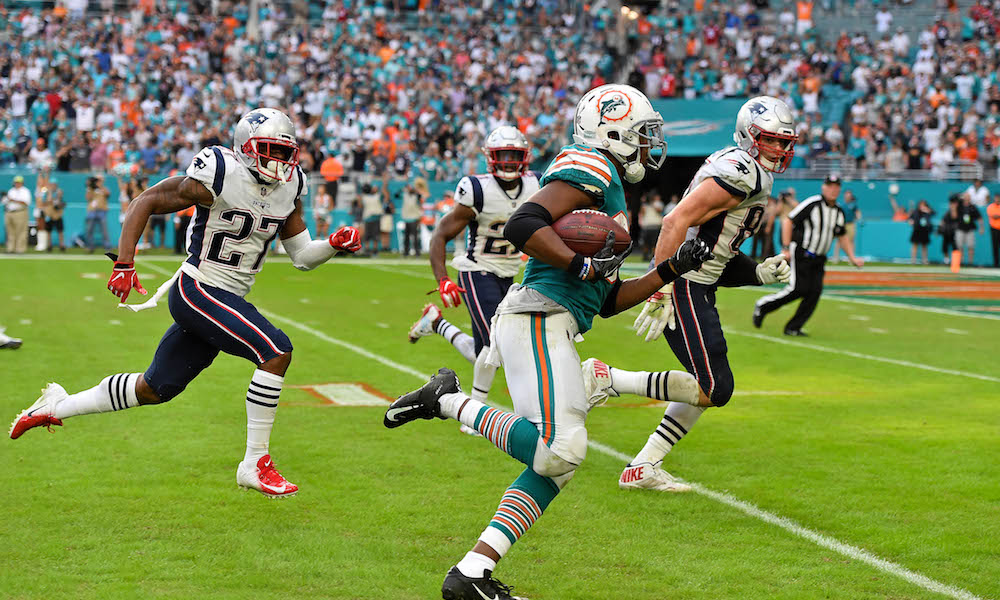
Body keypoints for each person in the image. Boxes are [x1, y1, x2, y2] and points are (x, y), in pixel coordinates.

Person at [383, 84, 712, 600]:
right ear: (614, 131)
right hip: (537, 316)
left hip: (557, 321)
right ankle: (445, 400)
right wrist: (579, 262)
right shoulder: (592, 166)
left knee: (556, 465)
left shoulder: (612, 190)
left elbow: (605, 300)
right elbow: (523, 223)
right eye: (643, 133)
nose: (651, 143)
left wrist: (669, 270)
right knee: (561, 448)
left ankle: (472, 573)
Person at [9, 108, 362, 499]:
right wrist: (125, 263)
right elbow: (146, 201)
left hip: (225, 297)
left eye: (284, 153)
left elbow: (302, 257)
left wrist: (332, 245)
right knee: (276, 351)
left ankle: (56, 406)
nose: (278, 162)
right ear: (245, 148)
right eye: (268, 150)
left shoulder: (291, 185)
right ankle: (254, 462)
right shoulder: (220, 172)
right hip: (200, 289)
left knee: (154, 389)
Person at [581, 96, 798, 492]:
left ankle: (643, 466)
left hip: (696, 282)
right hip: (684, 283)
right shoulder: (741, 170)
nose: (779, 150)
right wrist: (660, 286)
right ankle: (607, 378)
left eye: (785, 142)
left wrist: (758, 272)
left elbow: (715, 253)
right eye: (771, 140)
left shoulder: (746, 169)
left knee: (706, 385)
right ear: (750, 136)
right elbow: (675, 221)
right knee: (716, 387)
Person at [407, 126, 540, 404]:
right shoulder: (478, 189)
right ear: (491, 158)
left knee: (487, 350)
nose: (507, 161)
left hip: (509, 271)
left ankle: (437, 324)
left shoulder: (536, 185)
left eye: (513, 155)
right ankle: (475, 410)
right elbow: (440, 235)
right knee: (495, 343)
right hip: (476, 269)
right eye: (501, 155)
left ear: (524, 157)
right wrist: (443, 279)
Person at [754, 173, 864, 335]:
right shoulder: (813, 204)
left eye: (836, 187)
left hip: (819, 258)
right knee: (798, 289)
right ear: (823, 187)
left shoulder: (838, 212)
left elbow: (841, 235)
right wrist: (785, 247)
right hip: (802, 252)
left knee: (814, 292)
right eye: (830, 186)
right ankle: (763, 305)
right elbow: (788, 221)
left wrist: (852, 257)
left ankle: (793, 327)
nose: (833, 190)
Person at [3, 175, 31, 253]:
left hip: (20, 212)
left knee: (21, 231)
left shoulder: (25, 191)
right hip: (9, 212)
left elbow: (25, 202)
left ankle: (20, 249)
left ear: (22, 183)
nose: (17, 184)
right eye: (16, 182)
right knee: (10, 232)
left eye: (19, 182)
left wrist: (12, 200)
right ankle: (10, 249)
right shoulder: (11, 190)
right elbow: (5, 201)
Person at [84, 175, 112, 253]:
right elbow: (88, 198)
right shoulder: (90, 189)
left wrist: (100, 187)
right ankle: (90, 246)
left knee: (104, 230)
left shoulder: (104, 188)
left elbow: (108, 194)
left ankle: (107, 246)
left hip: (102, 211)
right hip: (92, 211)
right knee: (89, 229)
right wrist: (90, 187)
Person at [832, 189, 861, 263]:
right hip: (842, 224)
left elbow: (857, 212)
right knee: (839, 241)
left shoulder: (853, 204)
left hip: (850, 224)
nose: (847, 195)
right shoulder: (842, 205)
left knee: (851, 241)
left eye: (849, 194)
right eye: (846, 194)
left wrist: (859, 219)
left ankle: (851, 258)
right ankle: (835, 257)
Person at [955, 193, 984, 265]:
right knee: (959, 246)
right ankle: (960, 262)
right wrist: (959, 197)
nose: (967, 198)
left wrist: (981, 228)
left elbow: (979, 218)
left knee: (970, 247)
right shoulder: (959, 205)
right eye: (966, 197)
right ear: (963, 197)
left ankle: (970, 263)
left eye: (969, 197)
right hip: (960, 229)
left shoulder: (973, 207)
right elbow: (953, 200)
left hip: (970, 229)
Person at [399, 178, 425, 257]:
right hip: (406, 218)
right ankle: (406, 252)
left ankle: (417, 252)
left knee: (415, 236)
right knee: (406, 236)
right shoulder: (405, 195)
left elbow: (420, 196)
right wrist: (403, 189)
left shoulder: (416, 195)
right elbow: (396, 195)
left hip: (414, 218)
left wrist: (414, 190)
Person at [41, 177, 66, 252]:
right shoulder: (47, 192)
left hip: (57, 214)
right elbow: (44, 203)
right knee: (49, 231)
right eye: (51, 184)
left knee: (60, 230)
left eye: (54, 184)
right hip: (49, 214)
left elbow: (62, 202)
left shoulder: (59, 192)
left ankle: (62, 245)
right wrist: (50, 200)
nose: (53, 186)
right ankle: (49, 245)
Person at [909, 199, 935, 265]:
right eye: (921, 205)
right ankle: (913, 260)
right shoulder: (916, 212)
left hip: (925, 231)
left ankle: (925, 260)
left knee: (924, 246)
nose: (922, 206)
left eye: (924, 205)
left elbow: (933, 213)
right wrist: (911, 221)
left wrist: (927, 210)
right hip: (917, 230)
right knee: (915, 245)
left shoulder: (927, 211)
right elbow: (910, 218)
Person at [988, 194, 1000, 268]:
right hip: (994, 229)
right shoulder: (991, 206)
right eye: (996, 198)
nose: (997, 200)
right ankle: (996, 264)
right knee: (995, 247)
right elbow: (994, 216)